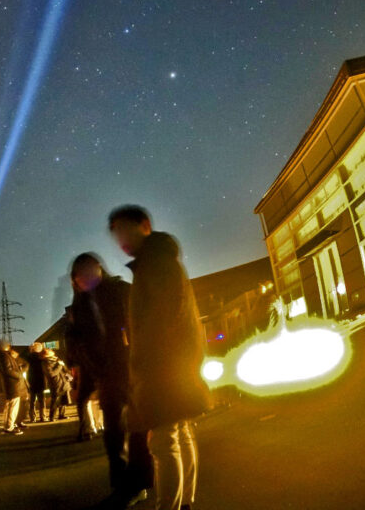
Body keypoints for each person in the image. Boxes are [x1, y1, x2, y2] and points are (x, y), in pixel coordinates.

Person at [109, 205, 210, 510]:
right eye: (115, 233)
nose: (120, 239)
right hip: (176, 363)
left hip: (162, 367)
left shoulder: (155, 263)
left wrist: (143, 368)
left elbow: (160, 320)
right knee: (181, 433)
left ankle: (170, 506)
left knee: (163, 442)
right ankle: (185, 501)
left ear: (145, 226)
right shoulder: (161, 260)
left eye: (124, 229)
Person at [65, 252, 144, 501]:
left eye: (88, 272)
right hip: (105, 373)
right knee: (113, 433)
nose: (84, 279)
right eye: (79, 276)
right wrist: (89, 364)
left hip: (131, 368)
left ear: (99, 269)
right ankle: (122, 484)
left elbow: (140, 323)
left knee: (138, 427)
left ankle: (139, 482)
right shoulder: (79, 306)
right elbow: (74, 341)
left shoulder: (121, 291)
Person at [0, 339, 25, 435]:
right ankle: (9, 428)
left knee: (10, 406)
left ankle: (7, 426)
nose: (9, 345)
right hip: (12, 385)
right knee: (12, 407)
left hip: (11, 385)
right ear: (3, 346)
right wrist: (20, 375)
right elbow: (8, 370)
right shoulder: (4, 357)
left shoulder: (2, 356)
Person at [41, 348, 71, 421]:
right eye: (50, 351)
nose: (52, 352)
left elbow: (65, 370)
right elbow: (51, 374)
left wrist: (63, 365)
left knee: (63, 400)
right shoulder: (46, 363)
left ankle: (61, 415)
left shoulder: (55, 360)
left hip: (63, 382)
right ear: (47, 354)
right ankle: (52, 417)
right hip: (56, 383)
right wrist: (59, 365)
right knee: (55, 401)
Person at [24, 341, 48, 423]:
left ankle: (32, 418)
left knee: (32, 401)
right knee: (42, 400)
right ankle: (43, 417)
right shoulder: (42, 358)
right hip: (40, 381)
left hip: (31, 381)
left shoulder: (28, 357)